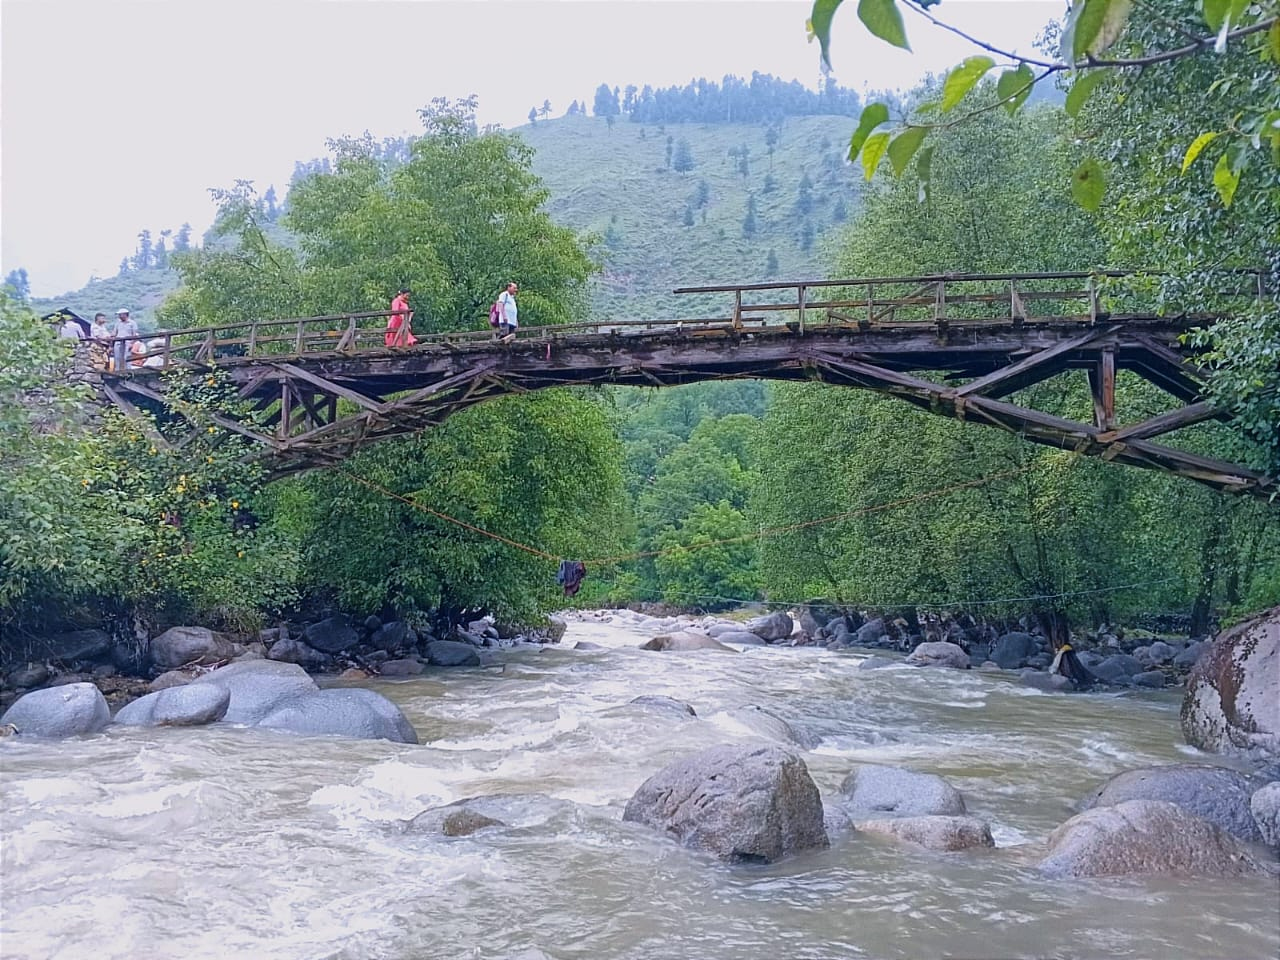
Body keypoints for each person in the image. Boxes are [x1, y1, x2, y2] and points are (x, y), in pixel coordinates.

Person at [112, 308, 139, 372]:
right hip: (118, 342)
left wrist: (132, 343)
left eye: (120, 315)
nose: (119, 316)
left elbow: (134, 334)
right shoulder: (117, 323)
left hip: (127, 342)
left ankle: (128, 371)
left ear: (125, 315)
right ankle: (118, 371)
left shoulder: (132, 323)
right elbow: (115, 333)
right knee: (117, 358)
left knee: (126, 357)